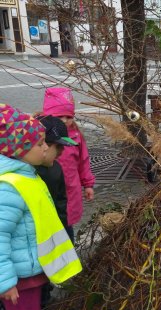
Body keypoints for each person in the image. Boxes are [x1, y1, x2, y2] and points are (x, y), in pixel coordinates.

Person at [0, 103, 82, 310]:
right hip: (19, 281)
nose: (46, 147)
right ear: (18, 150)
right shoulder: (10, 187)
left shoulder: (28, 176)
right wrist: (6, 282)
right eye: (39, 144)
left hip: (31, 272)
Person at [42, 87, 95, 241]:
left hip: (70, 190)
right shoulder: (40, 135)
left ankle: (69, 255)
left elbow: (83, 162)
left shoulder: (77, 136)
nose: (64, 120)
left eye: (68, 116)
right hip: (48, 190)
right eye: (59, 116)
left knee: (66, 226)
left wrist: (88, 184)